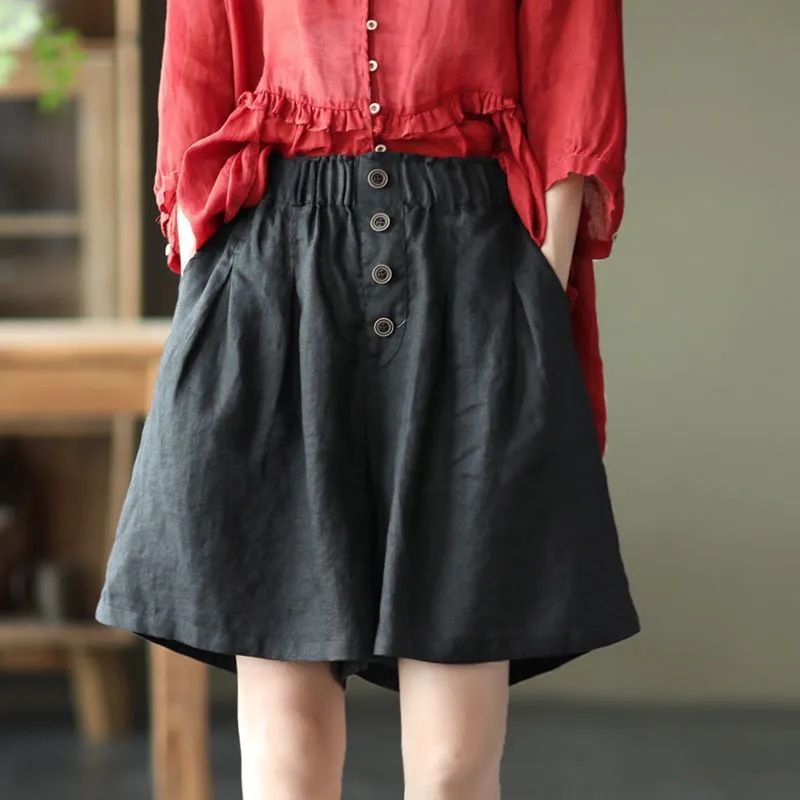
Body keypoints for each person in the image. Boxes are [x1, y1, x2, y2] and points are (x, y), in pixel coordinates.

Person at [96, 1, 641, 797]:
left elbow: (574, 80)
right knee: (288, 751)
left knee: (454, 762)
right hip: (275, 265)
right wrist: (215, 293)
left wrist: (534, 291)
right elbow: (197, 77)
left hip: (472, 268)